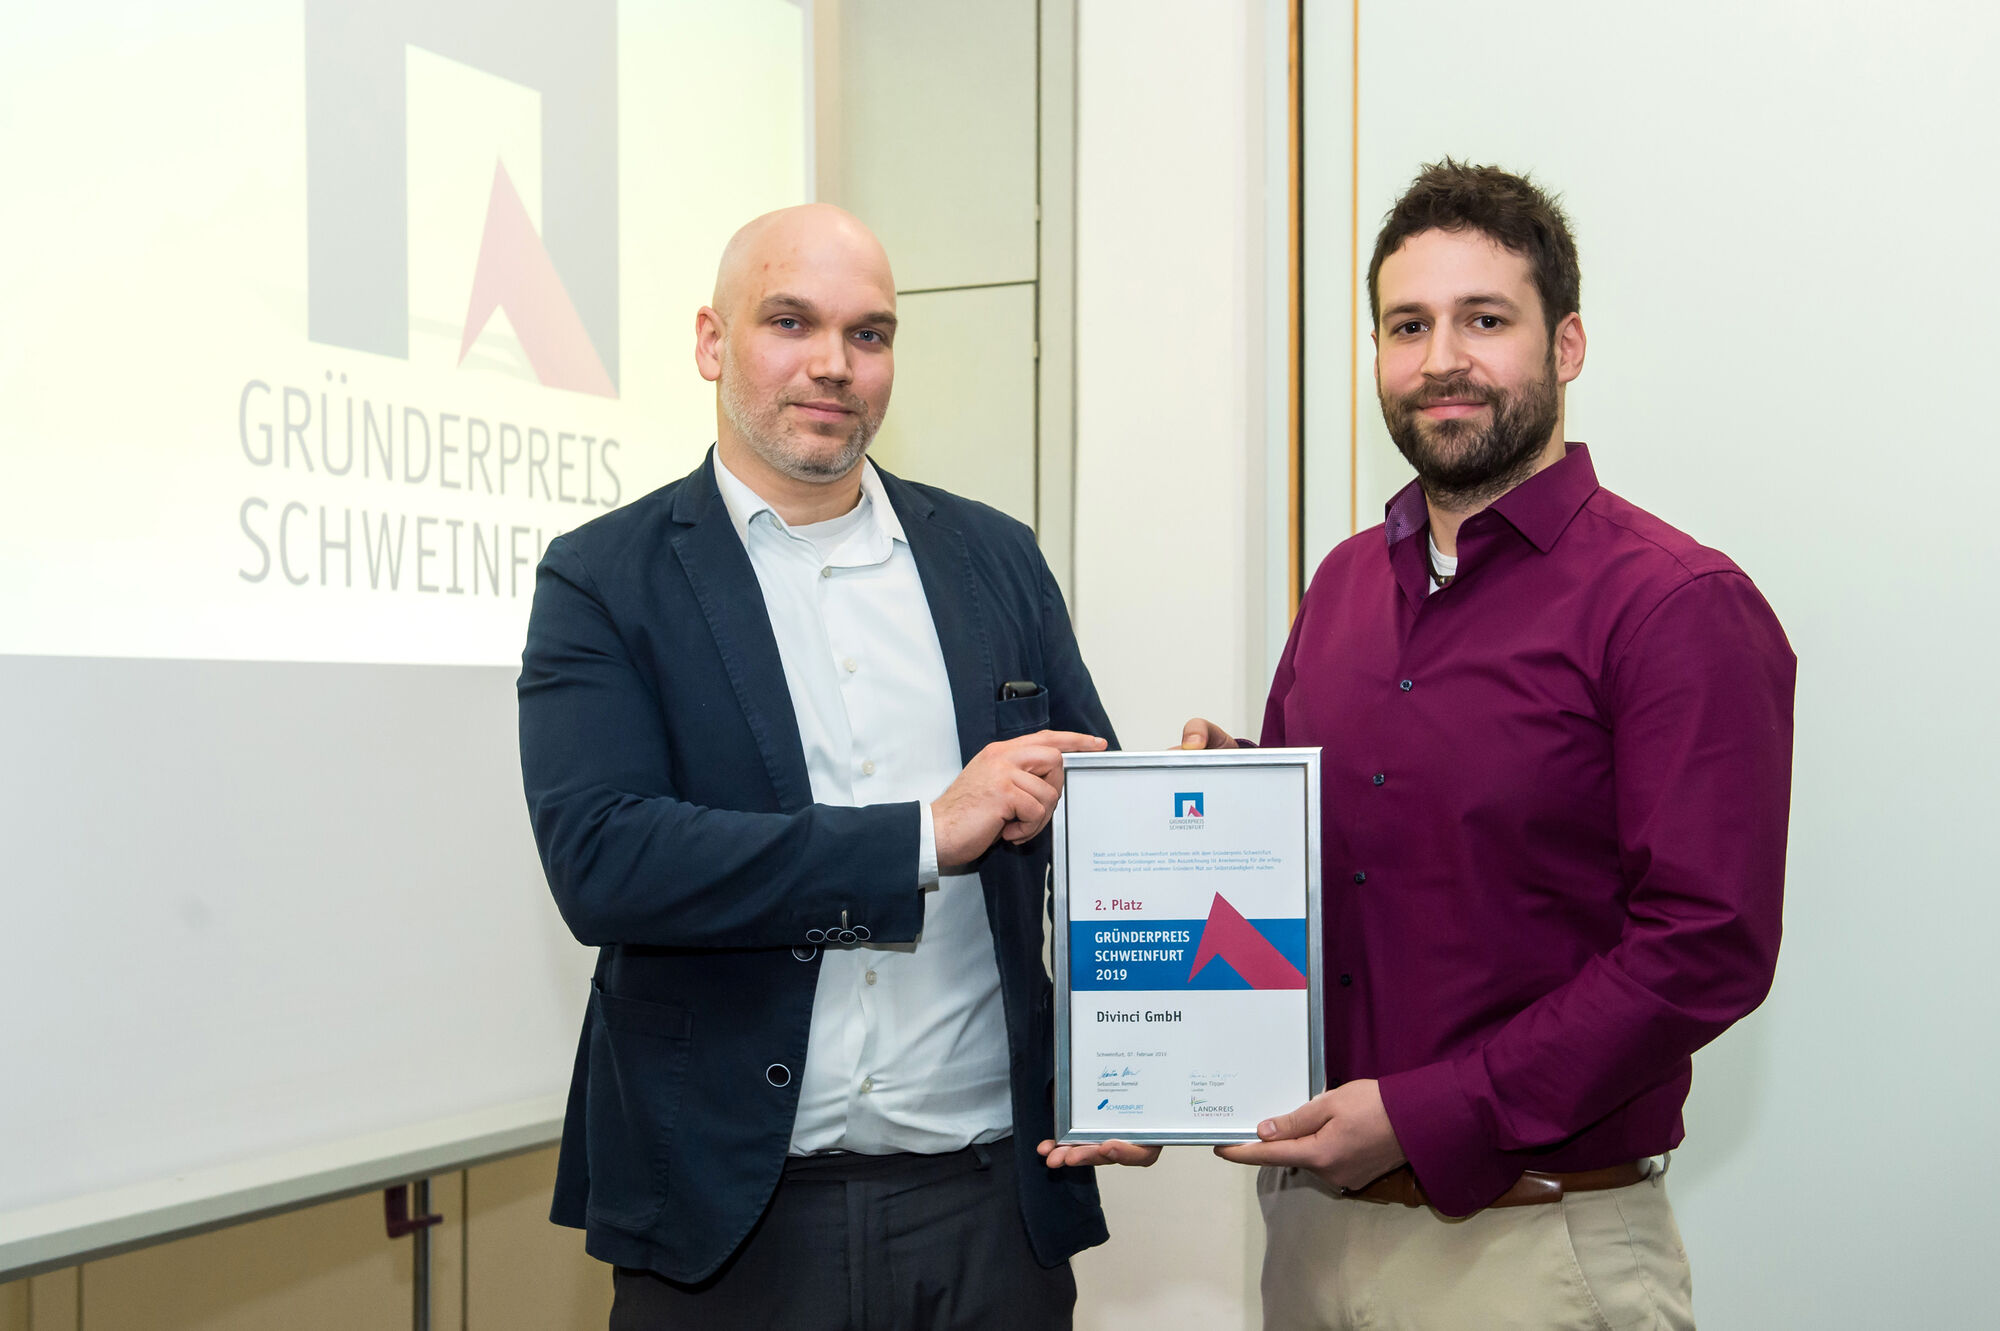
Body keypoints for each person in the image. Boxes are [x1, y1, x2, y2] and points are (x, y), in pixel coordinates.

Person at [1052, 160, 1797, 1329]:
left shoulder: (1671, 602)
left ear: (1565, 346)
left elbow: (1702, 947)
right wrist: (1221, 815)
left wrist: (1424, 1113)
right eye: (1407, 325)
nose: (1440, 358)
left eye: (1482, 319)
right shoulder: (1343, 585)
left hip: (1535, 1252)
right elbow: (1324, 881)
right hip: (1310, 1239)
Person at [518, 203, 1116, 1330]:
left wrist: (1133, 1065)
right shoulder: (604, 578)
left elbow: (1099, 831)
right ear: (711, 341)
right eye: (790, 322)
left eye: (868, 333)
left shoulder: (995, 557)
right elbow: (604, 859)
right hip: (728, 1222)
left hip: (991, 1210)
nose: (834, 364)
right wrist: (918, 837)